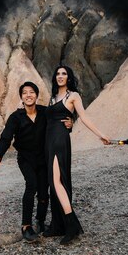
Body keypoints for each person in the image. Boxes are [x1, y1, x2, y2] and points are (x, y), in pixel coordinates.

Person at [0, 81, 72, 242]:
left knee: (43, 192)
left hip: (44, 158)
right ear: (21, 97)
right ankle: (26, 226)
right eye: (25, 92)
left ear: (36, 95)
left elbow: (61, 122)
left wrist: (70, 124)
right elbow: (6, 137)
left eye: (31, 92)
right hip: (26, 158)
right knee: (31, 185)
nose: (28, 95)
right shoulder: (15, 117)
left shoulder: (45, 112)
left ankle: (40, 221)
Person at [45, 65, 110, 244]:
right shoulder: (52, 98)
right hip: (49, 142)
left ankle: (71, 223)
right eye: (57, 73)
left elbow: (84, 117)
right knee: (53, 183)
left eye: (64, 73)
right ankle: (57, 225)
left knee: (57, 181)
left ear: (69, 77)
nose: (60, 76)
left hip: (59, 141)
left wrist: (101, 134)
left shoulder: (73, 96)